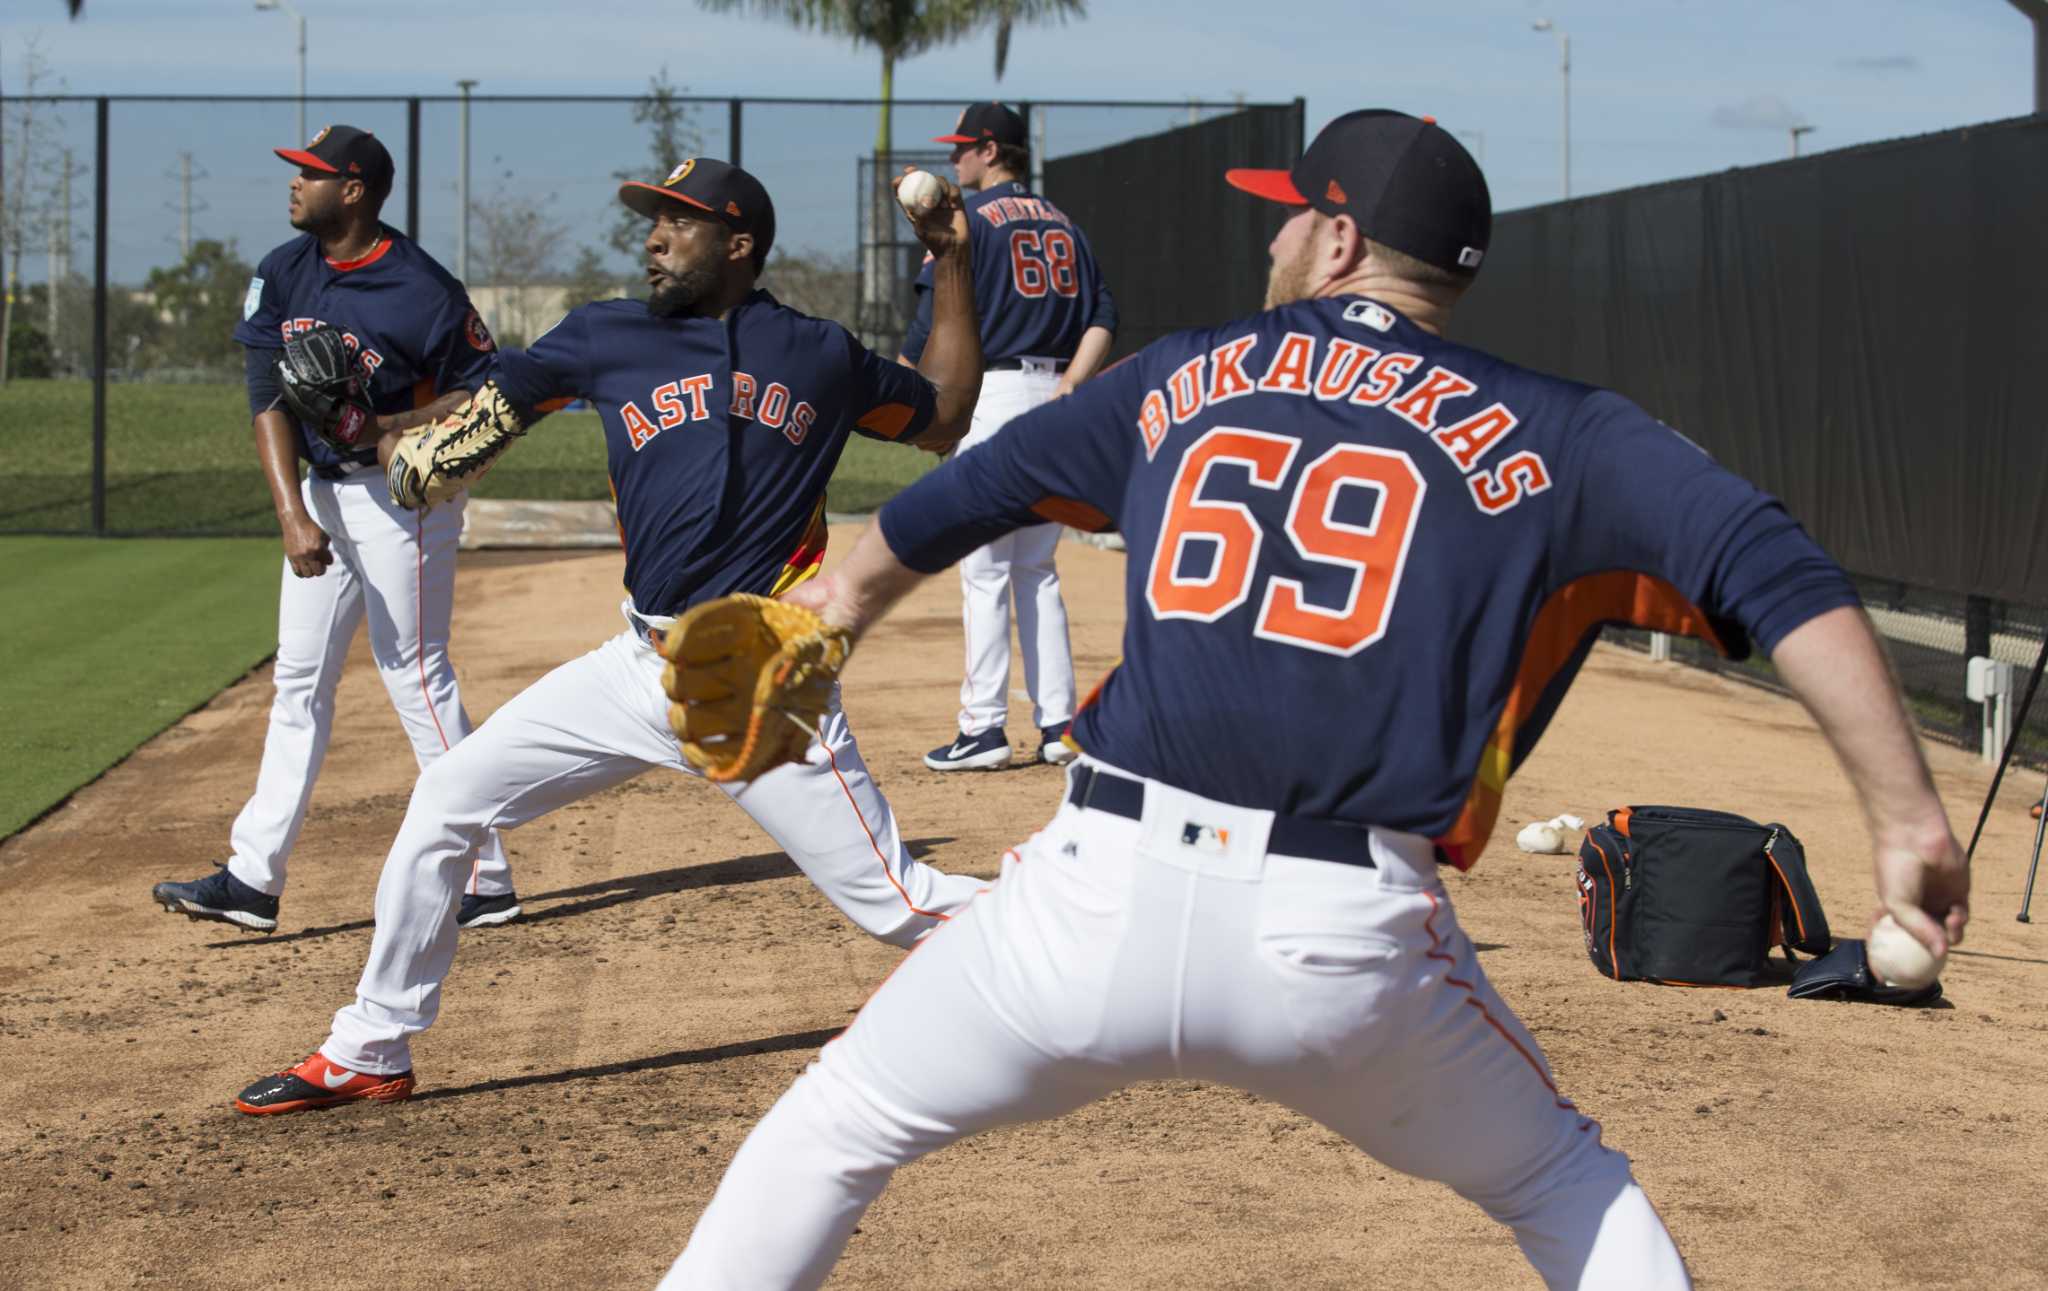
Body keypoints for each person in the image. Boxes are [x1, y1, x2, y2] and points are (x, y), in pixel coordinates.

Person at [660, 110, 1972, 1289]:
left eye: (1293, 211)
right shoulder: (1564, 428)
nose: (1277, 233)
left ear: (1340, 240)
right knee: (1566, 1185)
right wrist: (1908, 818)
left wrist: (829, 613)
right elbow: (1780, 569)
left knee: (832, 1128)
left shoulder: (1181, 372)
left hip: (1088, 897)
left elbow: (974, 490)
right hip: (1343, 942)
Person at [230, 156, 991, 1114]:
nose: (654, 238)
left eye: (678, 222)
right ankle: (372, 1044)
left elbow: (946, 414)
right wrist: (384, 434)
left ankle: (1106, 942)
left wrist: (950, 261)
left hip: (755, 679)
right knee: (449, 801)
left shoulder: (820, 354)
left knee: (900, 904)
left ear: (740, 244)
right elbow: (479, 415)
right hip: (636, 666)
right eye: (650, 220)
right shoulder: (603, 334)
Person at [151, 125, 520, 935]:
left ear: (353, 191)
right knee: (298, 682)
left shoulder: (421, 288)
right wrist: (292, 514)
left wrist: (396, 418)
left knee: (416, 676)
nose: (294, 184)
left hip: (400, 502)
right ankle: (254, 876)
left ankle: (488, 874)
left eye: (310, 174)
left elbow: (488, 392)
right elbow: (266, 398)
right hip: (321, 494)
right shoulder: (285, 271)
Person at [904, 102, 1117, 772]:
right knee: (1036, 569)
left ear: (992, 150)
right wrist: (1073, 385)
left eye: (964, 148)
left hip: (989, 397)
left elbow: (928, 330)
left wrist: (926, 402)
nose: (955, 159)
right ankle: (1059, 725)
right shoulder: (1066, 223)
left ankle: (982, 729)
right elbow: (1104, 315)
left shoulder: (970, 226)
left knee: (986, 569)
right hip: (1056, 401)